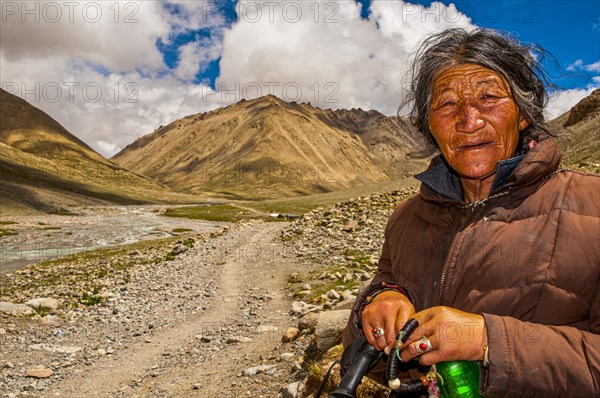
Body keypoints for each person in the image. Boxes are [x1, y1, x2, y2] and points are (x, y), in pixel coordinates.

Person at [342, 28, 600, 397]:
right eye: (447, 104)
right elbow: (375, 345)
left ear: (523, 114)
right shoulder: (407, 219)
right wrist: (378, 302)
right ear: (429, 123)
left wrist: (488, 341)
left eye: (489, 97)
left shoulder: (593, 207)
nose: (469, 120)